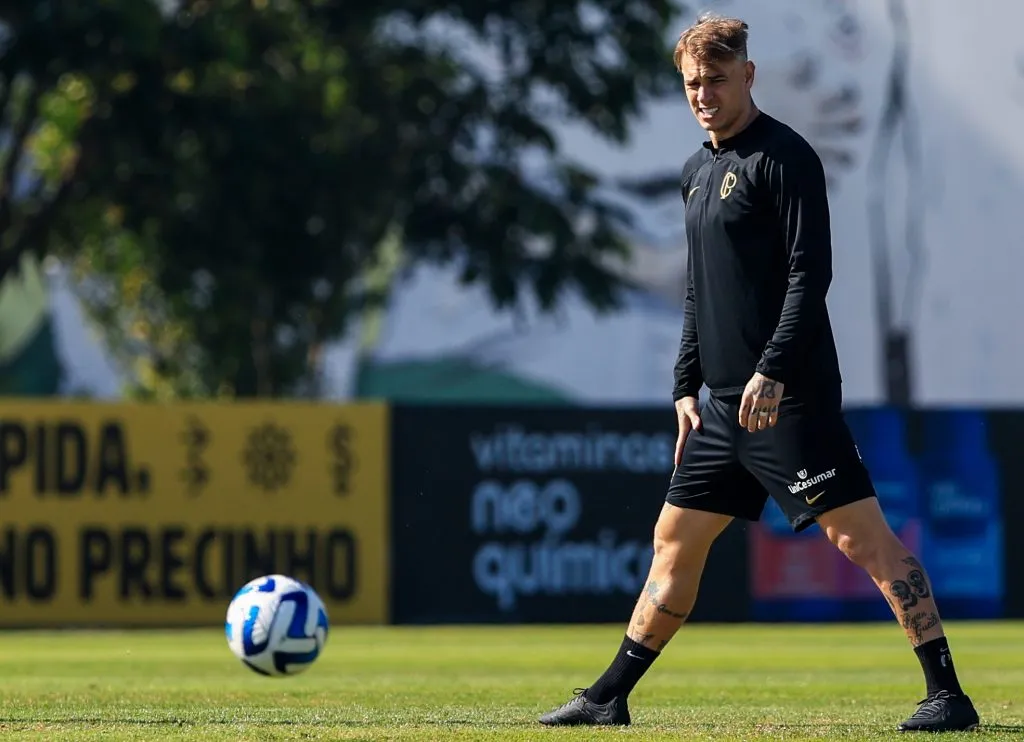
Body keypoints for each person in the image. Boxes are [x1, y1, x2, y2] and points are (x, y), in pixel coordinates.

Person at [537, 13, 979, 734]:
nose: (703, 94)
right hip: (717, 409)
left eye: (715, 79)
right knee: (673, 543)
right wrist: (685, 385)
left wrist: (772, 371)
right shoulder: (695, 171)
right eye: (691, 84)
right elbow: (697, 290)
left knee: (861, 541)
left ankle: (947, 694)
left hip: (788, 401)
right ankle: (608, 696)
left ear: (747, 74)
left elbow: (812, 275)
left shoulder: (786, 157)